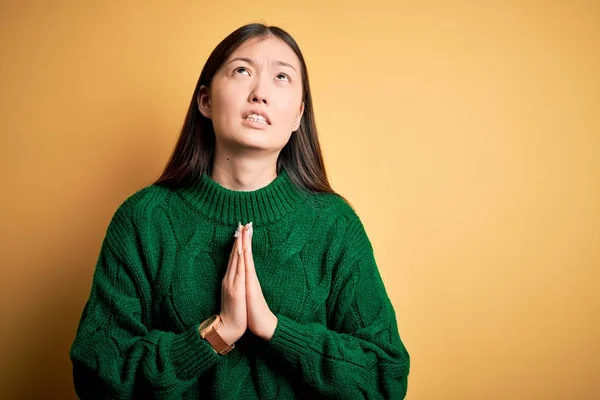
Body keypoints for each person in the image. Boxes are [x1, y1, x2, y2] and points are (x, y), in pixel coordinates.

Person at [70, 23, 410, 399]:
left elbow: (385, 376)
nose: (260, 92)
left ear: (298, 116)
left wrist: (275, 329)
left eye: (281, 76)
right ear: (206, 101)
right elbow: (95, 375)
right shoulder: (143, 220)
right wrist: (217, 334)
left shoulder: (335, 226)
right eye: (242, 71)